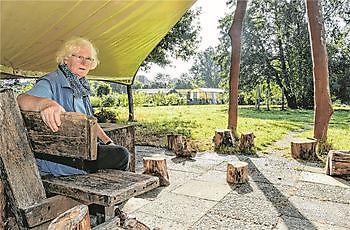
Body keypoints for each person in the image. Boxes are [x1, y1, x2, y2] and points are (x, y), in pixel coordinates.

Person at [17, 37, 130, 176]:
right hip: (61, 158)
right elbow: (21, 99)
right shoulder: (52, 81)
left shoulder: (81, 87)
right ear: (65, 59)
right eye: (79, 57)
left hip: (82, 151)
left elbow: (91, 121)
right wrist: (46, 104)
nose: (84, 62)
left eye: (89, 59)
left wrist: (108, 142)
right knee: (121, 155)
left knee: (116, 152)